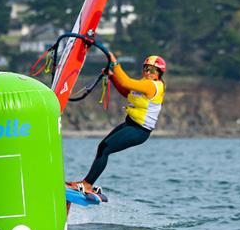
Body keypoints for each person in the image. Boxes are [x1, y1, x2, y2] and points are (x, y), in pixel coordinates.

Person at [66, 53, 166, 197]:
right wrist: (112, 77)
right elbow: (126, 91)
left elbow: (126, 82)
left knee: (105, 149)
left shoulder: (152, 85)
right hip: (129, 124)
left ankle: (87, 184)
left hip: (139, 130)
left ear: (159, 73)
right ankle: (88, 183)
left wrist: (114, 62)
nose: (148, 72)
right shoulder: (144, 83)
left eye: (153, 70)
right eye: (146, 68)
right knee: (102, 147)